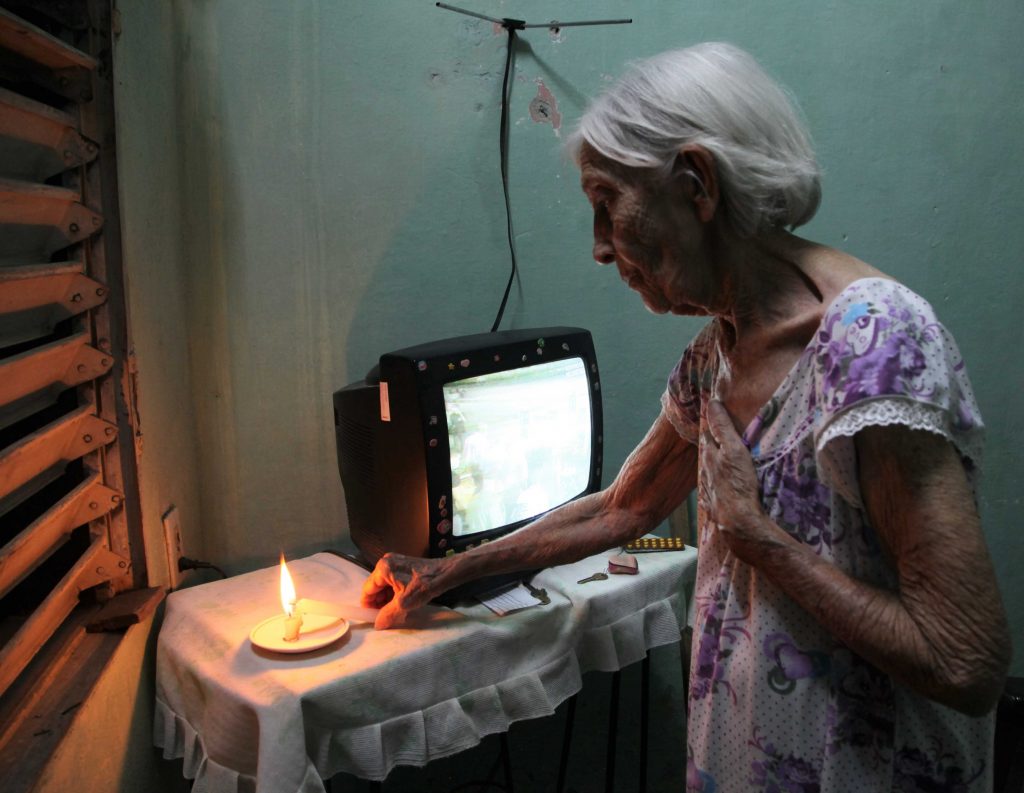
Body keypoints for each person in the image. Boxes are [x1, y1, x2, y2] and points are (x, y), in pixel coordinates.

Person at [362, 42, 1011, 790]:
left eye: (607, 203)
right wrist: (445, 571)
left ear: (696, 183)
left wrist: (758, 539)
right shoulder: (715, 353)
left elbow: (966, 660)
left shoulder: (873, 340)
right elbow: (623, 506)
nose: (601, 248)